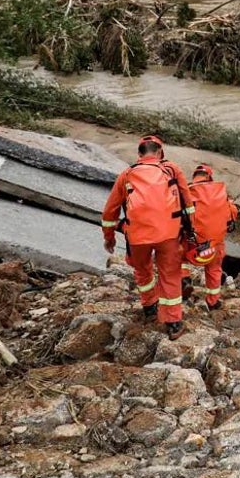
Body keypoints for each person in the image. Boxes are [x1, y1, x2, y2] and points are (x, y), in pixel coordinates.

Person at [101, 135, 193, 339]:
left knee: (142, 271)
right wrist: (191, 232)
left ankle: (150, 307)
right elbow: (188, 203)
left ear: (139, 155)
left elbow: (110, 212)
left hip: (137, 236)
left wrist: (109, 237)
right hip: (168, 233)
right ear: (160, 153)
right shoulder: (172, 170)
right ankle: (174, 323)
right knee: (170, 274)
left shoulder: (127, 175)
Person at [184, 164, 237, 311]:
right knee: (214, 269)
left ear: (195, 176)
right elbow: (232, 214)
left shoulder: (187, 191)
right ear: (209, 177)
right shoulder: (221, 193)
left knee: (177, 258)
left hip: (192, 243)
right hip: (214, 244)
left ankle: (183, 278)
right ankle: (213, 301)